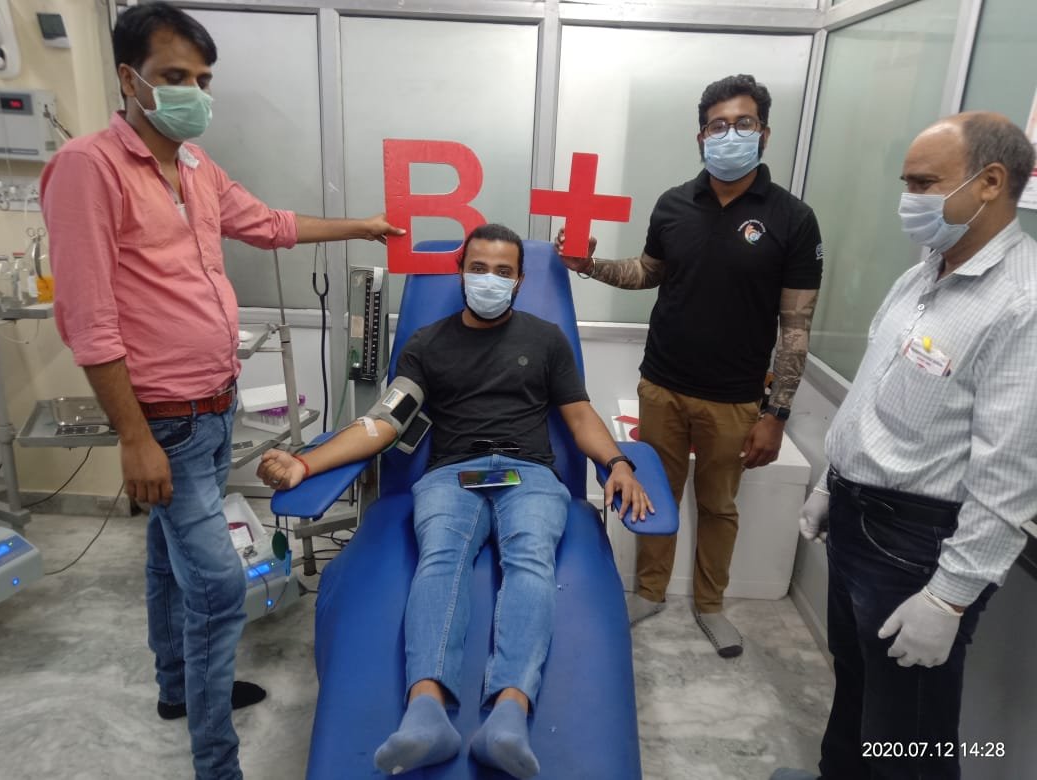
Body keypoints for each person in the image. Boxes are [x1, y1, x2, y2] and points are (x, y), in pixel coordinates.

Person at [39, 4, 404, 778]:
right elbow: (91, 323)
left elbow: (268, 224)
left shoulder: (197, 168)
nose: (194, 94)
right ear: (129, 78)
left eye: (203, 80)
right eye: (175, 77)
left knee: (165, 560)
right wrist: (134, 437)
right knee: (215, 586)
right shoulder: (87, 168)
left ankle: (176, 688)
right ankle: (216, 762)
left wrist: (361, 228)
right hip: (163, 423)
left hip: (214, 407)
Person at [258, 223, 652, 778]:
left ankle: (509, 716)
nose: (489, 280)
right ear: (461, 273)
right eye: (479, 268)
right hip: (453, 474)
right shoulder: (427, 345)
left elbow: (579, 415)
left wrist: (618, 463)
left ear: (519, 281)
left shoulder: (545, 340)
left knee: (530, 561)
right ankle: (426, 713)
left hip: (528, 473)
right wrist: (306, 463)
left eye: (503, 272)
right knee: (440, 561)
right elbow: (385, 422)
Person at [773, 112, 1037, 780]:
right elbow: (872, 392)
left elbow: (1010, 473)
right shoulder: (923, 275)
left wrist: (949, 597)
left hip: (919, 545)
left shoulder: (1022, 304)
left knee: (908, 736)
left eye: (923, 183)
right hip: (859, 518)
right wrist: (832, 482)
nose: (908, 200)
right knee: (856, 689)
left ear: (990, 182)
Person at [555, 74, 823, 657]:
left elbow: (796, 328)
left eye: (743, 123)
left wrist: (775, 414)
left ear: (764, 133)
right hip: (663, 384)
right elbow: (647, 272)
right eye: (717, 125)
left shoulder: (793, 219)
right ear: (701, 137)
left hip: (735, 398)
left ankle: (710, 604)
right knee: (654, 491)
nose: (730, 134)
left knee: (719, 505)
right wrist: (589, 266)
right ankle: (650, 591)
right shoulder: (674, 204)